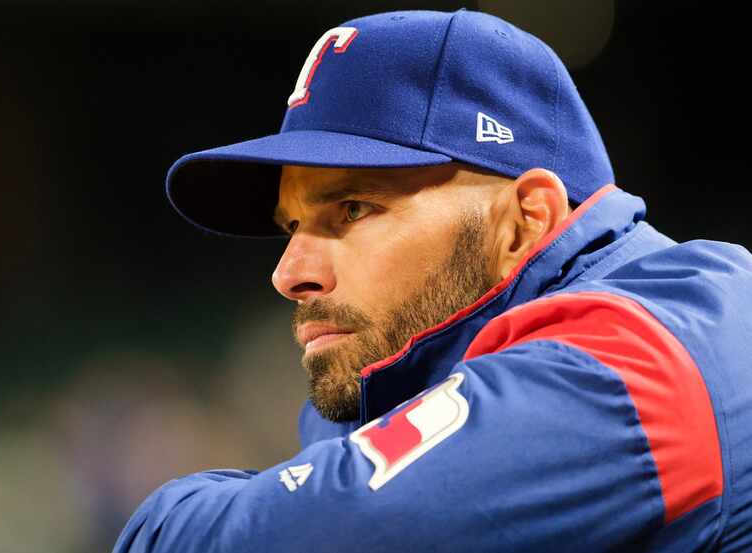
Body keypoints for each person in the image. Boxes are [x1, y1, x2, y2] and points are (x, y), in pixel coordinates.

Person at [113, 9, 752, 552]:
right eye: (292, 227)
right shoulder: (392, 380)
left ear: (525, 221)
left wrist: (164, 518)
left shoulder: (653, 352)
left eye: (354, 209)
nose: (289, 274)